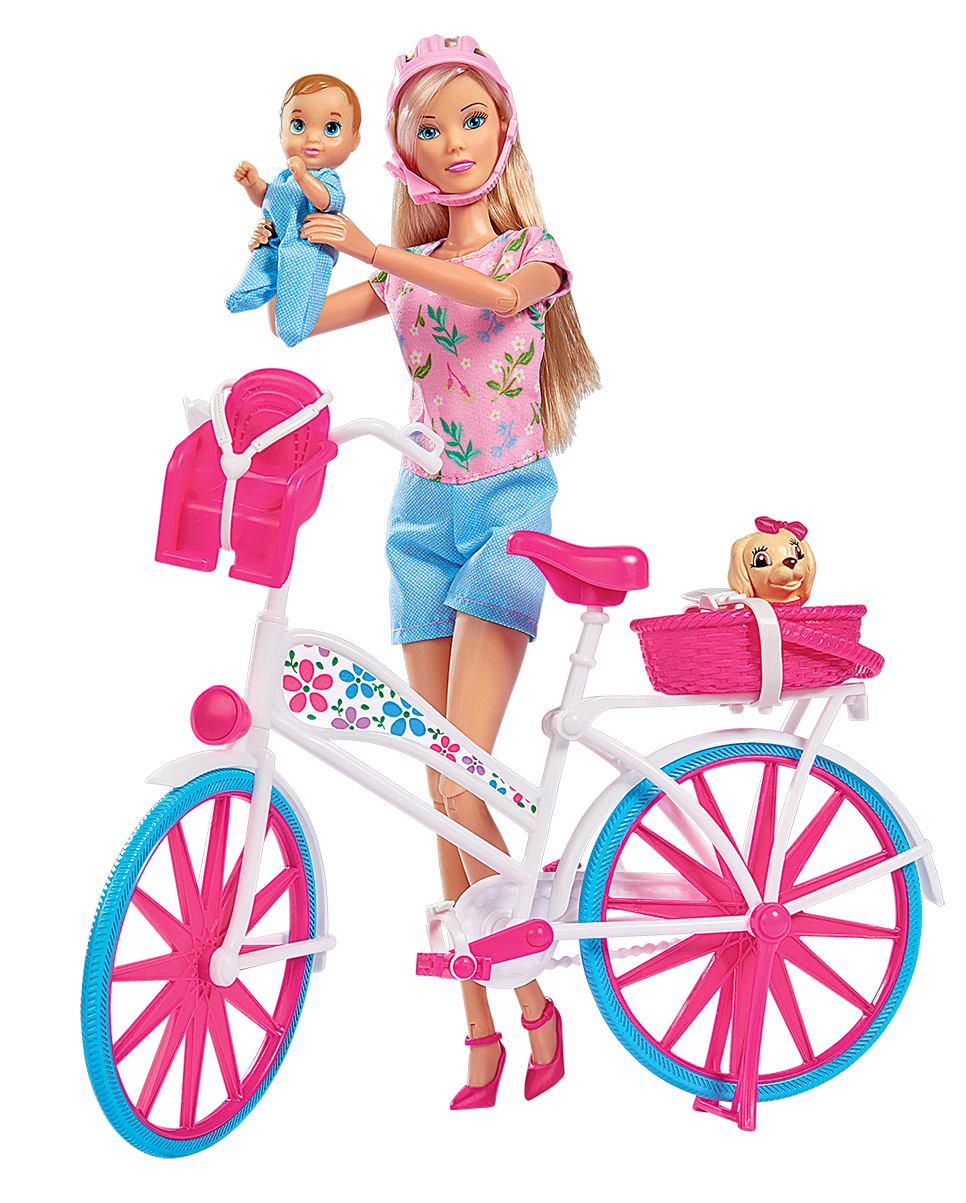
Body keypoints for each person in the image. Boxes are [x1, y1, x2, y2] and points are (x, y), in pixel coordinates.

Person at [257, 35, 599, 1108]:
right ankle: (480, 1023)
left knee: (461, 771)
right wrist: (289, 235)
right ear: (402, 151)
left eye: (471, 120)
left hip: (506, 518)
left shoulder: (533, 252)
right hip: (416, 521)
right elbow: (294, 326)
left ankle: (527, 1005)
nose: (453, 143)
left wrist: (375, 249)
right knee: (432, 784)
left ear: (503, 130)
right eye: (428, 128)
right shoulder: (398, 265)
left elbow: (485, 297)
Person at [226, 74, 360, 347]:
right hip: (276, 239)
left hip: (307, 246)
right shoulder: (283, 177)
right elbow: (268, 198)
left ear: (354, 140)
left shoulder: (326, 178)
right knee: (264, 257)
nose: (313, 138)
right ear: (281, 132)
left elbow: (327, 202)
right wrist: (253, 184)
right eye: (298, 125)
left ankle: (292, 324)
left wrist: (303, 176)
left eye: (331, 128)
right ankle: (252, 288)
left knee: (297, 279)